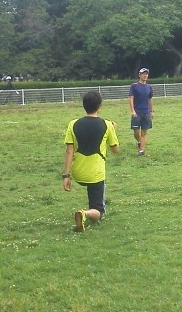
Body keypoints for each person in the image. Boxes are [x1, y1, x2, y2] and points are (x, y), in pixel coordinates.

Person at [62, 90, 119, 232]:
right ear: (100, 106)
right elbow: (115, 149)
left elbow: (69, 151)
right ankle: (84, 214)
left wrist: (66, 176)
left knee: (90, 186)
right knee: (99, 212)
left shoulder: (73, 124)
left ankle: (87, 211)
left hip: (78, 173)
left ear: (84, 105)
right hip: (95, 174)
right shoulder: (107, 125)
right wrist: (113, 130)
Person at [129, 67, 154, 156]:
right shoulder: (134, 86)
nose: (145, 75)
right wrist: (132, 110)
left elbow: (150, 100)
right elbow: (131, 99)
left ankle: (141, 151)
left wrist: (151, 111)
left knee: (144, 132)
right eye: (143, 74)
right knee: (136, 132)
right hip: (137, 112)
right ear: (139, 75)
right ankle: (140, 141)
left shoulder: (149, 87)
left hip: (146, 112)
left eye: (146, 74)